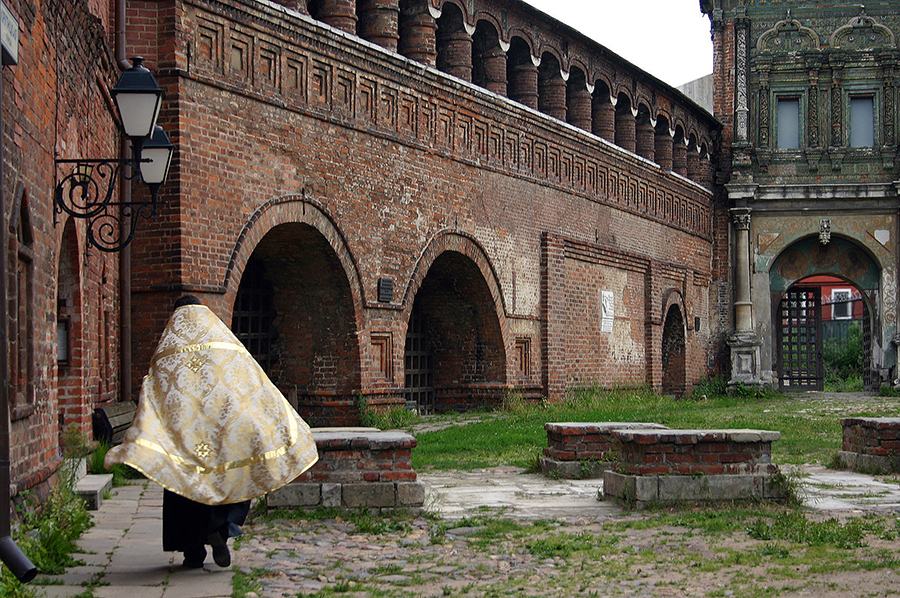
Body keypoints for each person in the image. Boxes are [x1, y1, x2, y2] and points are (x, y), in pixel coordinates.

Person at [105, 295, 318, 568]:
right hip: (222, 435)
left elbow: (155, 392)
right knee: (232, 477)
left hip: (184, 437)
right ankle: (220, 527)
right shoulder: (224, 346)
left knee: (183, 488)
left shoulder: (168, 351)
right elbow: (249, 382)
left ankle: (192, 553)